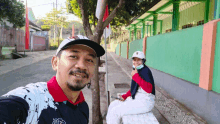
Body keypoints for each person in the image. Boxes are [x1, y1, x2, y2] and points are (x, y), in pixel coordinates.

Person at [0, 35, 105, 124]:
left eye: (89, 60)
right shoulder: (31, 100)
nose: (82, 66)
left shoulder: (82, 107)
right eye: (73, 56)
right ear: (55, 63)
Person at [106, 51, 156, 124]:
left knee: (115, 112)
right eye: (134, 60)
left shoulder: (145, 71)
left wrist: (136, 76)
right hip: (137, 98)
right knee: (112, 105)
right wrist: (125, 96)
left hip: (146, 102)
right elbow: (134, 88)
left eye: (139, 60)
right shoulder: (137, 70)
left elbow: (149, 89)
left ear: (143, 61)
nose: (136, 62)